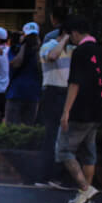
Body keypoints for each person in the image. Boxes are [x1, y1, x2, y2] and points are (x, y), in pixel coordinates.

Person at [56, 15, 102, 203]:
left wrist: (66, 111)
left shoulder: (81, 52)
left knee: (63, 150)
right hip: (97, 108)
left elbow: (74, 83)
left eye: (71, 35)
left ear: (75, 33)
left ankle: (85, 189)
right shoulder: (100, 50)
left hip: (80, 110)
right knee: (88, 153)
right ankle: (84, 199)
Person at [35, 29, 74, 188]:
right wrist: (64, 39)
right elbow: (52, 56)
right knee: (53, 135)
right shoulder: (49, 45)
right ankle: (48, 176)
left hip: (67, 92)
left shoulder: (74, 48)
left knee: (65, 135)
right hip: (53, 92)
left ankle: (56, 176)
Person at [6, 22, 42, 125]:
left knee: (29, 128)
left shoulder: (40, 51)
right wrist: (24, 45)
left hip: (32, 94)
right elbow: (16, 64)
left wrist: (37, 48)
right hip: (16, 93)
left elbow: (41, 67)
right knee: (12, 127)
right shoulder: (15, 49)